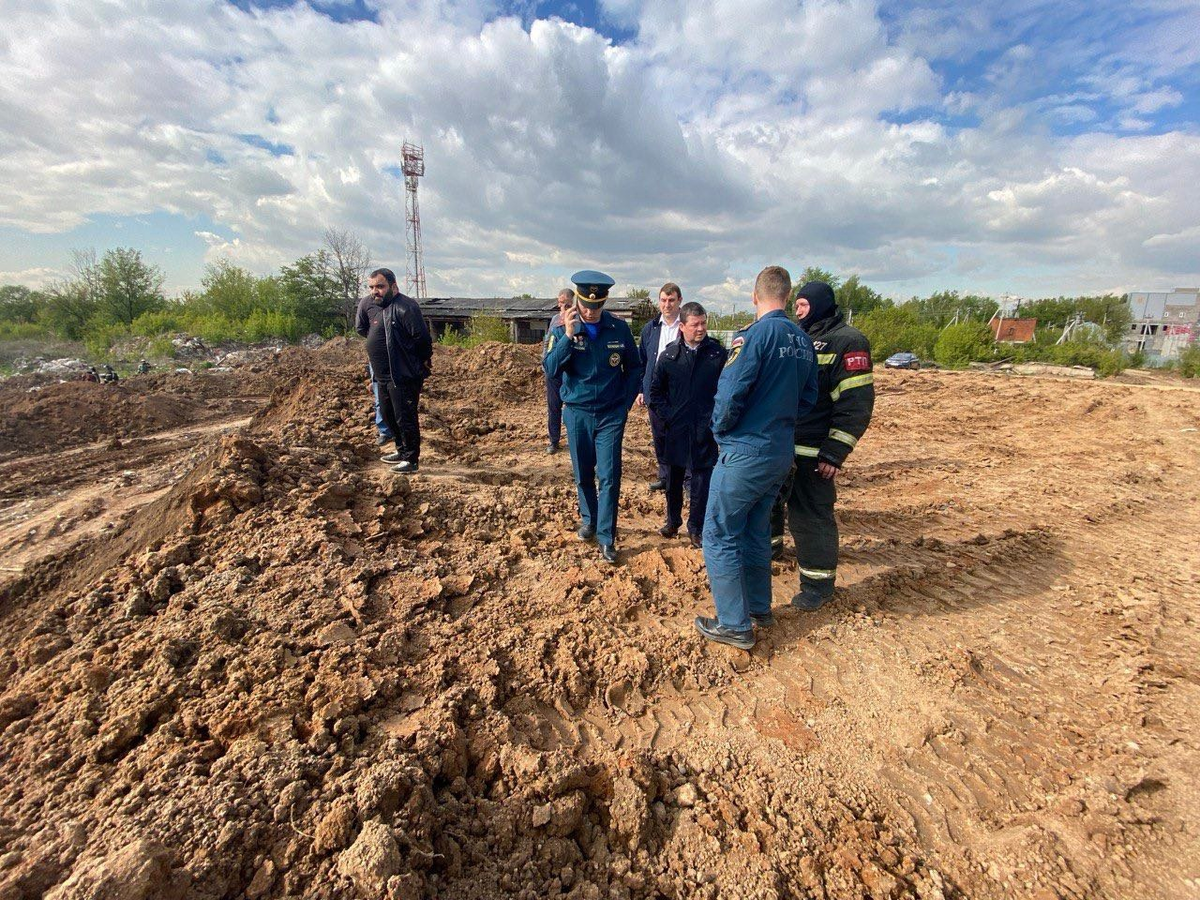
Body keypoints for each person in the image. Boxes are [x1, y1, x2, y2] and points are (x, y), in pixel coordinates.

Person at [694, 266, 817, 651]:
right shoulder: (802, 340)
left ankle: (734, 624)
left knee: (718, 532)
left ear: (754, 295)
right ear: (788, 294)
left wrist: (720, 432)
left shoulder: (753, 336)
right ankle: (760, 609)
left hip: (746, 451)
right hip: (780, 452)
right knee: (754, 530)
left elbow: (730, 393)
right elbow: (809, 399)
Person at [771, 280, 875, 611]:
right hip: (783, 445)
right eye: (796, 305)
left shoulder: (848, 341)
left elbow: (855, 405)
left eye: (802, 305)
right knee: (771, 504)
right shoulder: (798, 338)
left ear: (819, 304)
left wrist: (835, 451)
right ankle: (772, 550)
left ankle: (818, 585)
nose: (797, 311)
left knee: (810, 515)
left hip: (815, 452)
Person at [543, 270, 642, 565]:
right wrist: (569, 337)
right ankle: (589, 519)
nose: (591, 311)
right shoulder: (562, 329)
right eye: (586, 305)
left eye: (596, 306)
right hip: (577, 414)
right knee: (583, 473)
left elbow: (634, 368)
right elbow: (550, 369)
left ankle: (606, 536)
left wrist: (623, 405)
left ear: (604, 302)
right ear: (578, 301)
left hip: (611, 414)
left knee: (609, 476)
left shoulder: (619, 329)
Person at [648, 302, 726, 548]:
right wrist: (669, 416)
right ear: (682, 326)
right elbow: (655, 392)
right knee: (673, 480)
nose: (701, 328)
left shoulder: (717, 355)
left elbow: (727, 389)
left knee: (702, 482)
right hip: (677, 430)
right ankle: (672, 522)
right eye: (695, 325)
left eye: (703, 323)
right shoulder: (669, 356)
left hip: (706, 430)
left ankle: (696, 528)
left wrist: (717, 418)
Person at [355, 268, 433, 474]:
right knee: (389, 415)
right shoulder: (371, 306)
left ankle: (411, 459)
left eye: (380, 286)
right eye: (371, 287)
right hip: (381, 375)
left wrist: (416, 363)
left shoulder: (406, 307)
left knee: (405, 417)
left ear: (394, 287)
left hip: (403, 375)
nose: (375, 291)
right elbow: (363, 330)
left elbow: (423, 341)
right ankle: (401, 450)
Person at [636, 283, 683, 491]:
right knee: (660, 436)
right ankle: (665, 477)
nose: (667, 304)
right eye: (663, 300)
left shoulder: (686, 326)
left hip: (681, 392)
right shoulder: (651, 328)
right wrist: (640, 389)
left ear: (679, 301)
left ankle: (685, 479)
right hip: (656, 392)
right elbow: (642, 361)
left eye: (671, 300)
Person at [542, 289, 573, 454]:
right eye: (561, 303)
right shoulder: (554, 321)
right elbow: (547, 344)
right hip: (554, 373)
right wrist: (545, 365)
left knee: (572, 408)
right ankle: (554, 441)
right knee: (554, 408)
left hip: (571, 373)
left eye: (567, 303)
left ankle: (574, 439)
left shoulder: (577, 319)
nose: (563, 306)